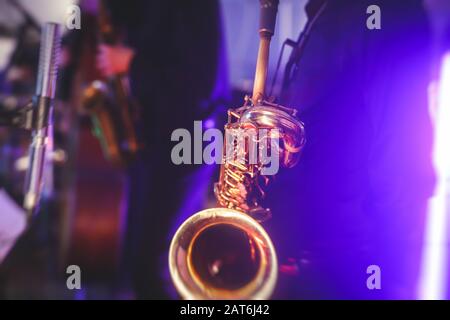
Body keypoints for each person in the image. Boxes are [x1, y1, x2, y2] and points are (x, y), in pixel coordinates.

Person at [267, 0, 436, 299]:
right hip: (307, 251)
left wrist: (393, 275)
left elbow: (400, 159)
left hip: (347, 264)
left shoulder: (388, 12)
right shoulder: (325, 13)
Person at [95, 0, 229, 299]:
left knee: (156, 265)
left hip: (188, 139)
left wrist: (131, 63)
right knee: (135, 264)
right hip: (156, 137)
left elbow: (200, 81)